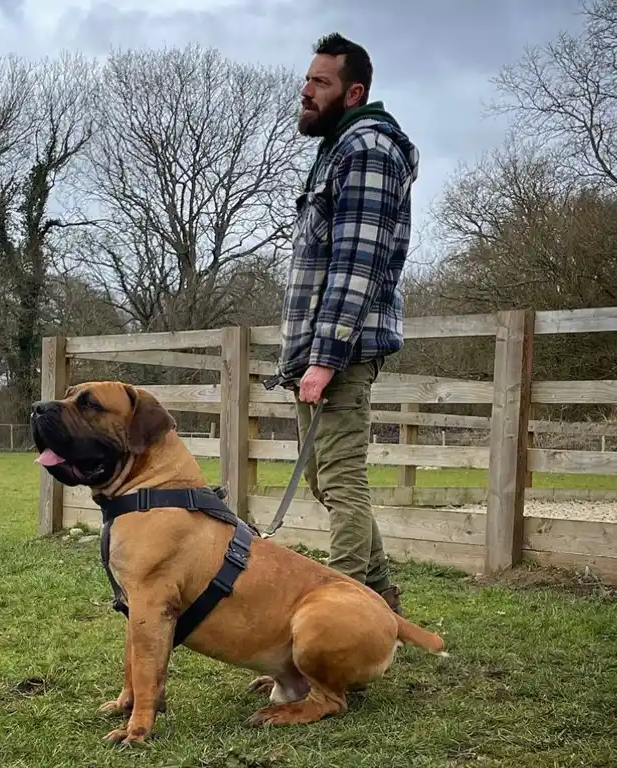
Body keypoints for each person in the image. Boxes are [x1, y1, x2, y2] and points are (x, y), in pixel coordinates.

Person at [264, 33, 419, 615]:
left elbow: (358, 263)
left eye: (320, 82)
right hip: (318, 351)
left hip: (342, 353)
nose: (306, 91)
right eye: (307, 79)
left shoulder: (368, 150)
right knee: (324, 480)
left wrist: (326, 358)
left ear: (353, 93)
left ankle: (342, 618)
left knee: (342, 481)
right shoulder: (338, 148)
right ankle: (379, 605)